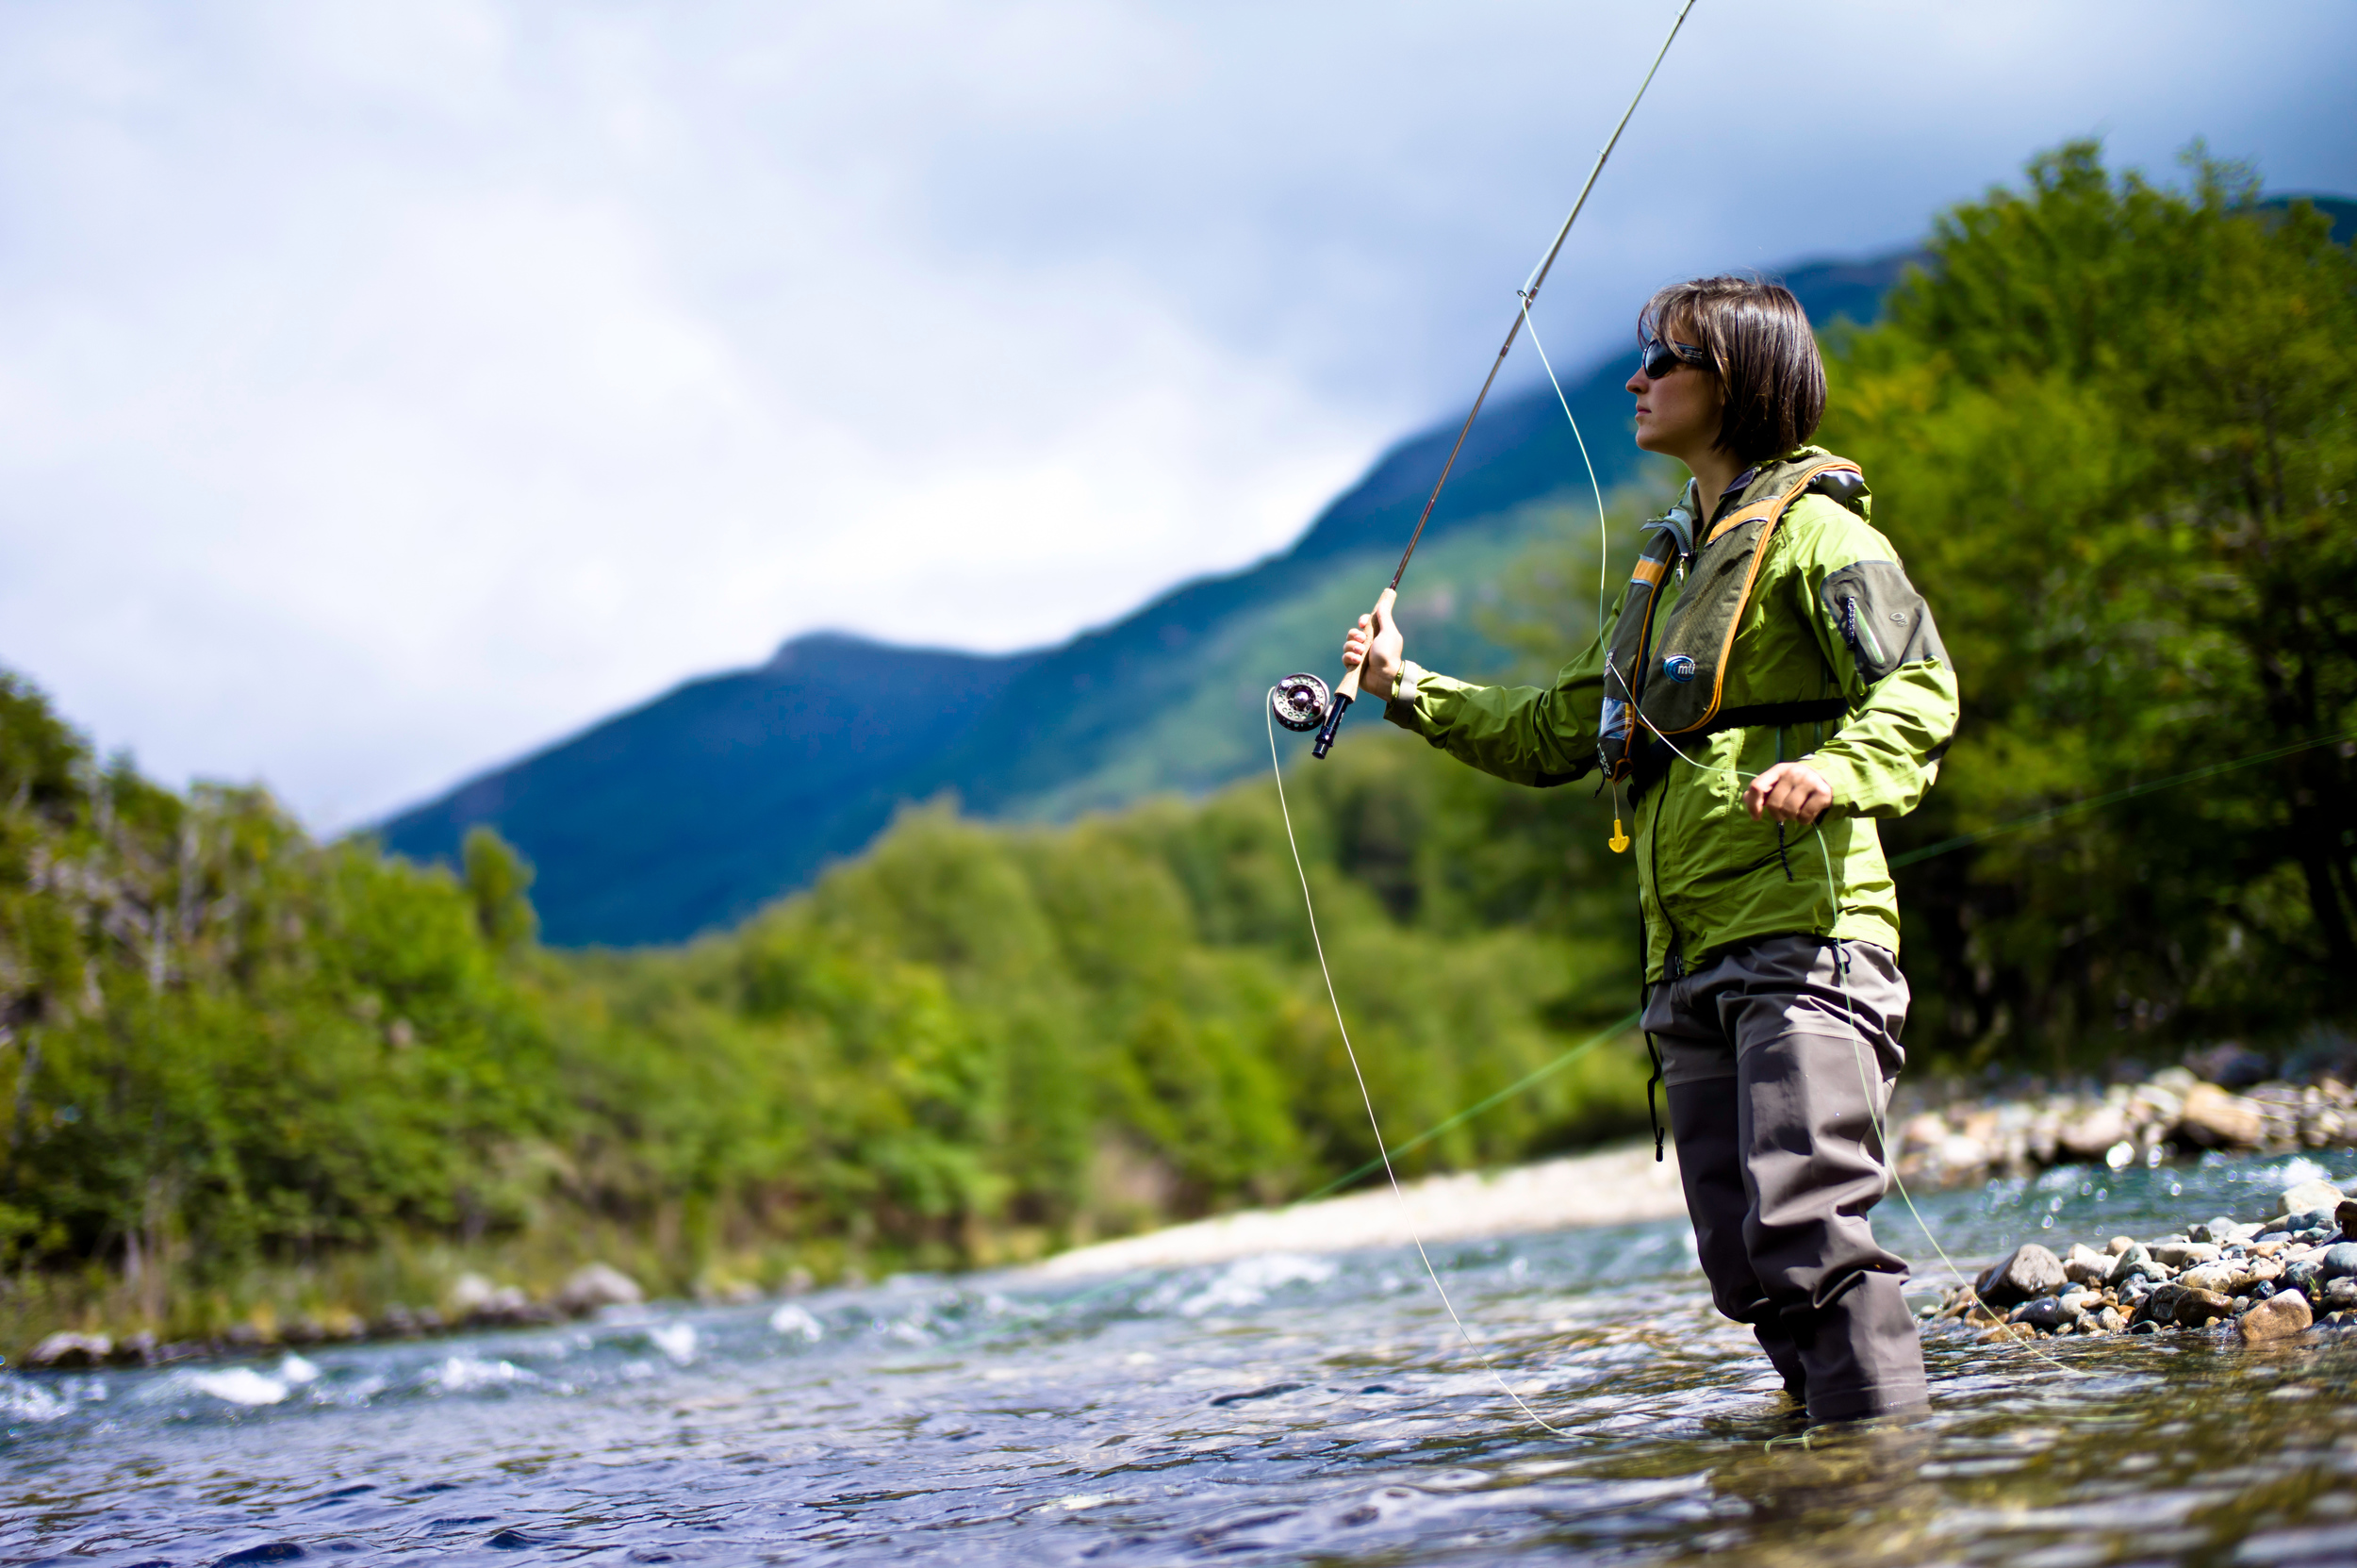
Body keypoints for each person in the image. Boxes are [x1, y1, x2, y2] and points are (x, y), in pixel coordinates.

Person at [1341, 275, 1957, 1422]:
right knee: (1744, 1264)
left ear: (1738, 380)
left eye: (1663, 359)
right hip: (1682, 958)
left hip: (1804, 940)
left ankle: (1884, 1495)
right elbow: (1556, 731)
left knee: (1810, 1225)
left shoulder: (1825, 533)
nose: (1635, 378)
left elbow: (1920, 690)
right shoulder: (1665, 572)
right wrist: (1404, 686)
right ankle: (1826, 1486)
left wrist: (1829, 771)